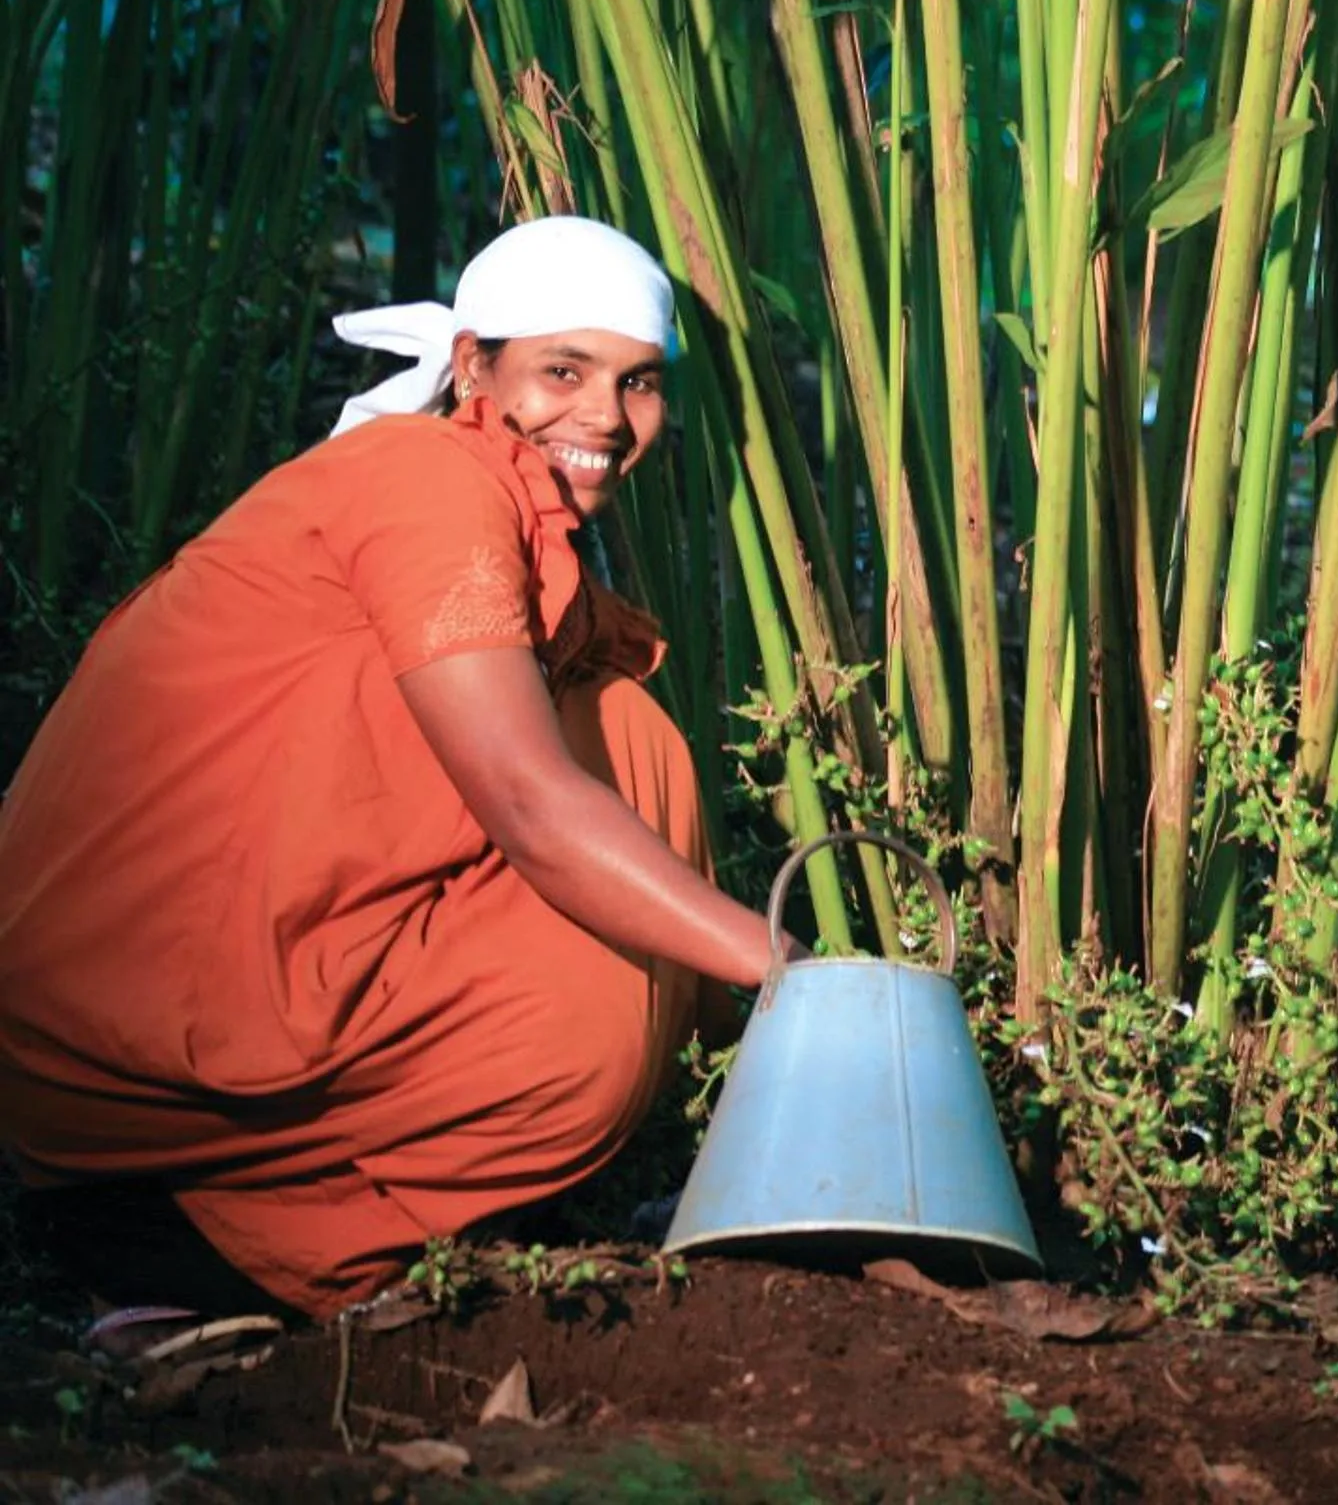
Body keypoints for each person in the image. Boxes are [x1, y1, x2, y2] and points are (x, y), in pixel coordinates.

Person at [0, 217, 779, 1321]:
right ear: (472, 366)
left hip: (160, 1031)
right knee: (589, 988)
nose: (605, 415)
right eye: (563, 369)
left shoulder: (490, 510)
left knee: (620, 734)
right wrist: (798, 978)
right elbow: (526, 801)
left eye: (638, 381)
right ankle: (218, 1237)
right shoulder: (427, 476)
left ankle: (372, 1197)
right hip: (126, 1055)